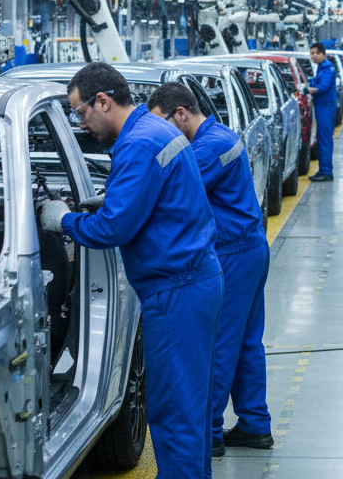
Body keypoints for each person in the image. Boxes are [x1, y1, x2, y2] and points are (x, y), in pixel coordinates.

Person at [36, 63, 223, 479]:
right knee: (188, 408)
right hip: (193, 281)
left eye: (80, 112)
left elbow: (114, 229)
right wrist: (115, 200)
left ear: (103, 101)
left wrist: (64, 220)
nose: (80, 123)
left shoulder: (137, 144)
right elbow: (155, 199)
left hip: (175, 291)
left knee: (174, 412)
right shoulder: (155, 130)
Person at [148, 83, 273, 459]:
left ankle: (209, 433)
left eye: (162, 124)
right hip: (249, 247)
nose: (160, 133)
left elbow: (172, 189)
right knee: (245, 342)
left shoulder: (207, 148)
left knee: (218, 344)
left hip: (235, 254)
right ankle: (255, 423)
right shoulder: (219, 136)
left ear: (181, 114)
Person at [305, 42, 336, 181]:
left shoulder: (328, 68)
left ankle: (326, 171)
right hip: (321, 107)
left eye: (317, 53)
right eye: (312, 53)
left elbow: (322, 87)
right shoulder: (321, 67)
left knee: (324, 139)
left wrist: (306, 89)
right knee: (321, 138)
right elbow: (316, 81)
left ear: (323, 54)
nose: (314, 56)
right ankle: (323, 169)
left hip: (326, 107)